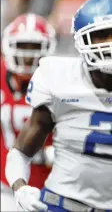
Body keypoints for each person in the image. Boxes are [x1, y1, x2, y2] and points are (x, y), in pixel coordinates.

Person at [5, 0, 112, 212]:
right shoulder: (58, 81)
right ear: (82, 41)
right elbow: (20, 152)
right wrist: (20, 187)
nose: (111, 43)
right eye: (101, 36)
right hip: (58, 205)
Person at [0, 14, 56, 211]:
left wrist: (53, 154)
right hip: (5, 187)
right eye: (22, 46)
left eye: (34, 47)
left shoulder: (59, 83)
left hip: (49, 189)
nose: (27, 55)